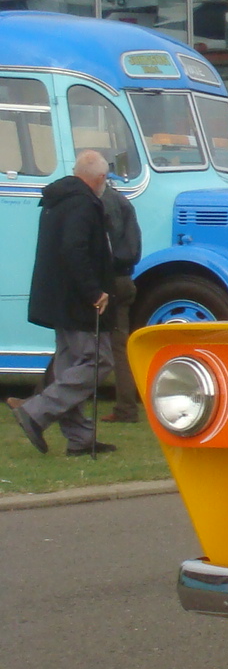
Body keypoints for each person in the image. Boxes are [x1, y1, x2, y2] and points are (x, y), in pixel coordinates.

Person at [9, 150, 117, 456]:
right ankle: (36, 411)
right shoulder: (83, 203)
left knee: (70, 365)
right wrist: (94, 291)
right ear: (98, 178)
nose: (104, 184)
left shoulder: (58, 200)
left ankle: (80, 439)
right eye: (105, 179)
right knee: (98, 360)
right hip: (77, 300)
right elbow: (75, 249)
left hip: (58, 298)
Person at [101, 175, 141, 422]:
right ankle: (127, 406)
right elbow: (133, 246)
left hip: (109, 280)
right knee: (120, 347)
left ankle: (44, 398)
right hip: (125, 279)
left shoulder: (99, 204)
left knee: (72, 337)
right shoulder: (124, 203)